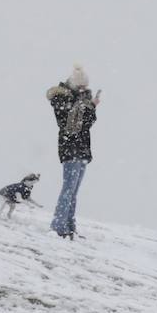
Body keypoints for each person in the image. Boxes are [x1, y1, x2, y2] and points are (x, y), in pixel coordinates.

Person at [46, 64, 101, 239]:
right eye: (81, 86)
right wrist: (87, 106)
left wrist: (91, 106)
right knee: (68, 188)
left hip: (82, 149)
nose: (84, 89)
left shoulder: (80, 100)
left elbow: (87, 123)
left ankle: (69, 225)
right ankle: (58, 225)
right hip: (70, 148)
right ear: (75, 85)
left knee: (73, 190)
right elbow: (70, 125)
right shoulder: (62, 98)